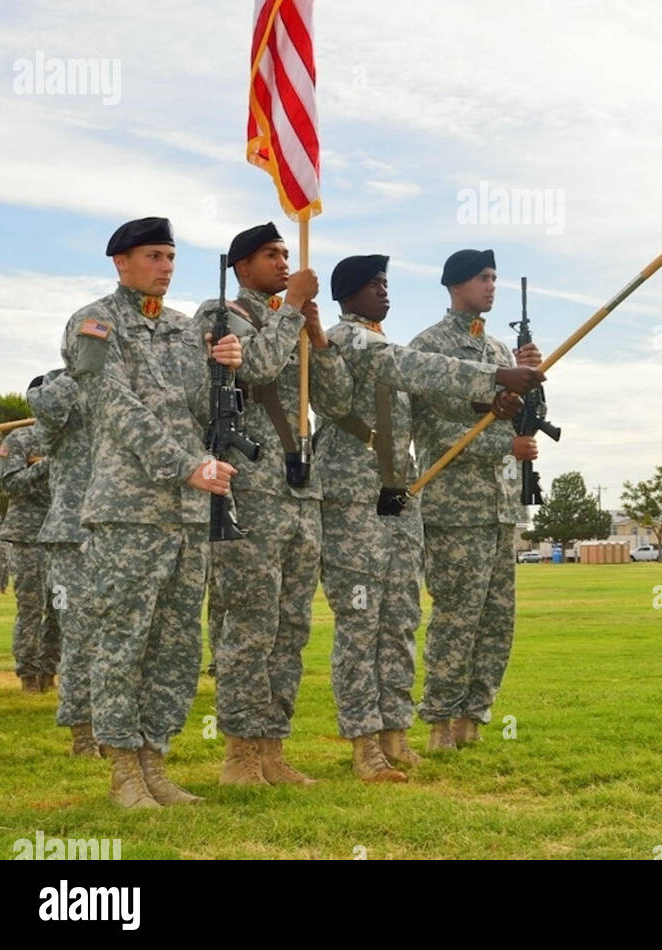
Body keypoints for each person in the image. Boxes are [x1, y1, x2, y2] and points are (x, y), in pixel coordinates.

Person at [311, 254, 541, 782]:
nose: (385, 292)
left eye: (387, 283)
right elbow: (417, 368)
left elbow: (432, 410)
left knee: (398, 622)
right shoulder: (349, 339)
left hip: (399, 494)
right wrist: (494, 375)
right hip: (353, 498)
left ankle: (395, 735)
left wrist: (498, 401)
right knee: (361, 626)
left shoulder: (386, 342)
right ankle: (364, 743)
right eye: (373, 285)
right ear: (347, 296)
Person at [71, 216, 243, 809]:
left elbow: (200, 409)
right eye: (153, 256)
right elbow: (114, 405)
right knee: (125, 637)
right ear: (120, 261)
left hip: (189, 511)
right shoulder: (94, 323)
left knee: (176, 646)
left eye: (170, 256)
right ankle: (122, 771)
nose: (166, 267)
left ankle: (155, 762)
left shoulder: (180, 330)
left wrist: (225, 364)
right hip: (130, 510)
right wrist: (183, 466)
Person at [190, 221, 333, 787]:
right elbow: (253, 367)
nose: (282, 262)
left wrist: (315, 333)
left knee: (291, 625)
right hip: (249, 492)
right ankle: (240, 757)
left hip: (299, 491)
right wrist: (293, 305)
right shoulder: (220, 313)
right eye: (270, 255)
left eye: (284, 254)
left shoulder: (289, 320)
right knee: (249, 622)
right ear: (242, 266)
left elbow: (333, 396)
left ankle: (273, 748)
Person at [410, 249, 542, 749]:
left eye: (494, 278)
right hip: (453, 509)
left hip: (499, 507)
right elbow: (430, 430)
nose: (491, 286)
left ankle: (474, 715)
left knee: (495, 618)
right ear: (455, 285)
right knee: (457, 616)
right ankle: (440, 720)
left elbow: (519, 417)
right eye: (482, 278)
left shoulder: (499, 351)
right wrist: (500, 443)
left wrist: (532, 373)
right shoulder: (428, 348)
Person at [27, 366, 96, 755]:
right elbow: (45, 410)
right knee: (79, 637)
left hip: (116, 529)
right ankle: (82, 734)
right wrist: (83, 367)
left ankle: (112, 729)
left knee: (115, 639)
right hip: (69, 538)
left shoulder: (121, 379)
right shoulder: (60, 384)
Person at [0, 416, 60, 692]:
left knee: (61, 608)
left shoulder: (71, 435)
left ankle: (50, 671)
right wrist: (45, 466)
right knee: (32, 609)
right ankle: (29, 676)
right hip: (29, 537)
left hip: (64, 536)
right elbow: (9, 485)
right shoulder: (20, 439)